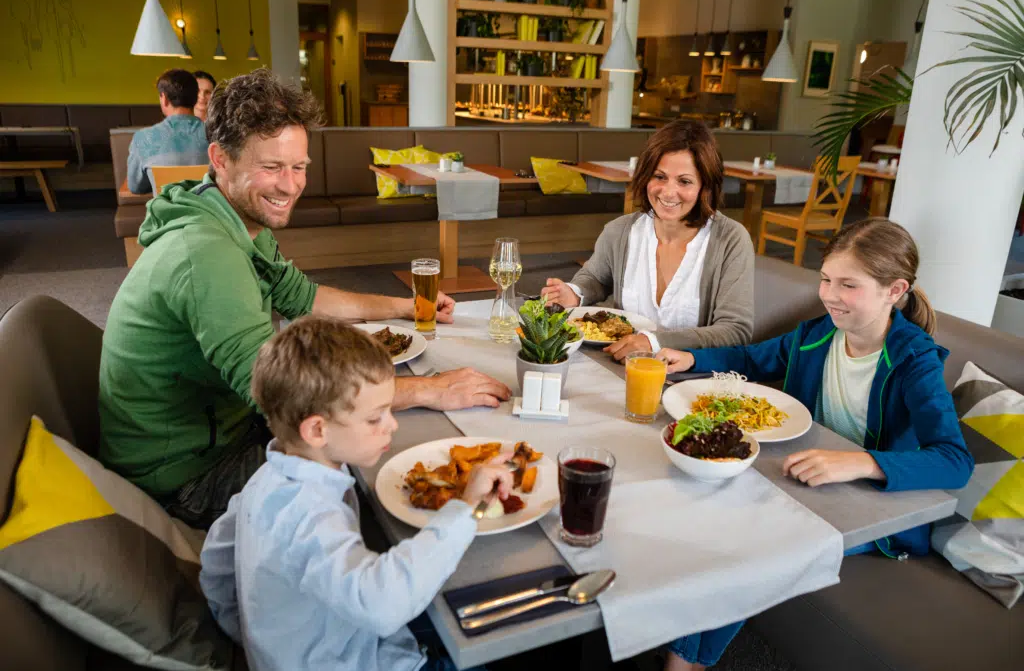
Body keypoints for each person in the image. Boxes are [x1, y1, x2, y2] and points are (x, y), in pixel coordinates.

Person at [99, 69, 510, 529]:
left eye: (299, 167)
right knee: (384, 478)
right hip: (187, 476)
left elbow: (305, 298)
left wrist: (410, 305)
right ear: (220, 159)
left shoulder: (231, 219)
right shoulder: (206, 251)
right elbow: (277, 393)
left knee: (384, 438)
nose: (290, 186)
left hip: (222, 431)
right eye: (271, 167)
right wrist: (431, 389)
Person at [656, 219, 974, 671]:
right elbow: (752, 357)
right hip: (806, 481)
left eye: (848, 285)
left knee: (745, 546)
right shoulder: (817, 334)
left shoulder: (914, 360)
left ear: (893, 290)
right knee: (705, 513)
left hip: (871, 509)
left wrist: (860, 463)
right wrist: (693, 358)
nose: (829, 294)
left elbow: (955, 461)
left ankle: (685, 662)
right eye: (826, 279)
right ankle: (685, 655)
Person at [199, 315, 508, 671]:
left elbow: (217, 563)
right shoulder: (310, 515)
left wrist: (250, 641)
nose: (391, 424)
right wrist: (465, 507)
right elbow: (383, 605)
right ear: (317, 430)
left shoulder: (266, 477)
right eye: (376, 417)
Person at [541, 120, 754, 362]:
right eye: (660, 177)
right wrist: (575, 293)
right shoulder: (620, 231)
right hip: (618, 365)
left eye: (684, 181)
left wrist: (653, 341)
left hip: (691, 378)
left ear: (705, 186)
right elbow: (595, 278)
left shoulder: (731, 240)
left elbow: (736, 331)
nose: (668, 192)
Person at [126, 68, 209, 194]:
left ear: (164, 98)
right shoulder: (217, 135)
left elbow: (135, 187)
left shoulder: (143, 138)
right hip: (208, 212)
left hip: (165, 213)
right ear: (196, 98)